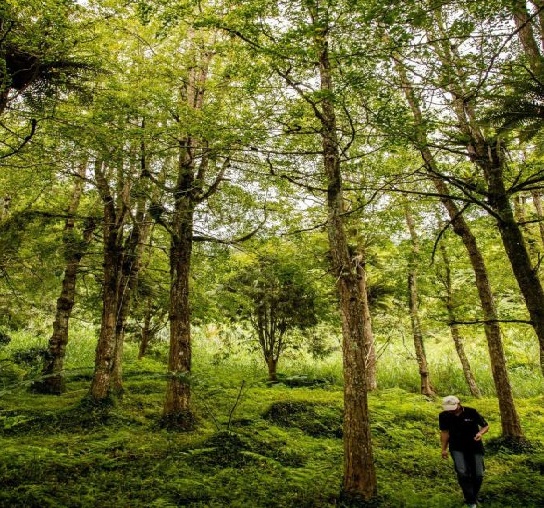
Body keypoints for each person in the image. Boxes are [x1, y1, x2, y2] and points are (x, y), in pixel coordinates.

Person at [439, 395, 489, 508]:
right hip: (456, 447)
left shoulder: (471, 412)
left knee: (478, 474)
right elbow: (445, 432)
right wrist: (443, 449)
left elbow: (485, 426)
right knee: (462, 472)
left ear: (459, 404)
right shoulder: (444, 415)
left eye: (453, 408)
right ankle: (470, 501)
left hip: (475, 446)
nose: (451, 411)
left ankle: (473, 496)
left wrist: (480, 433)